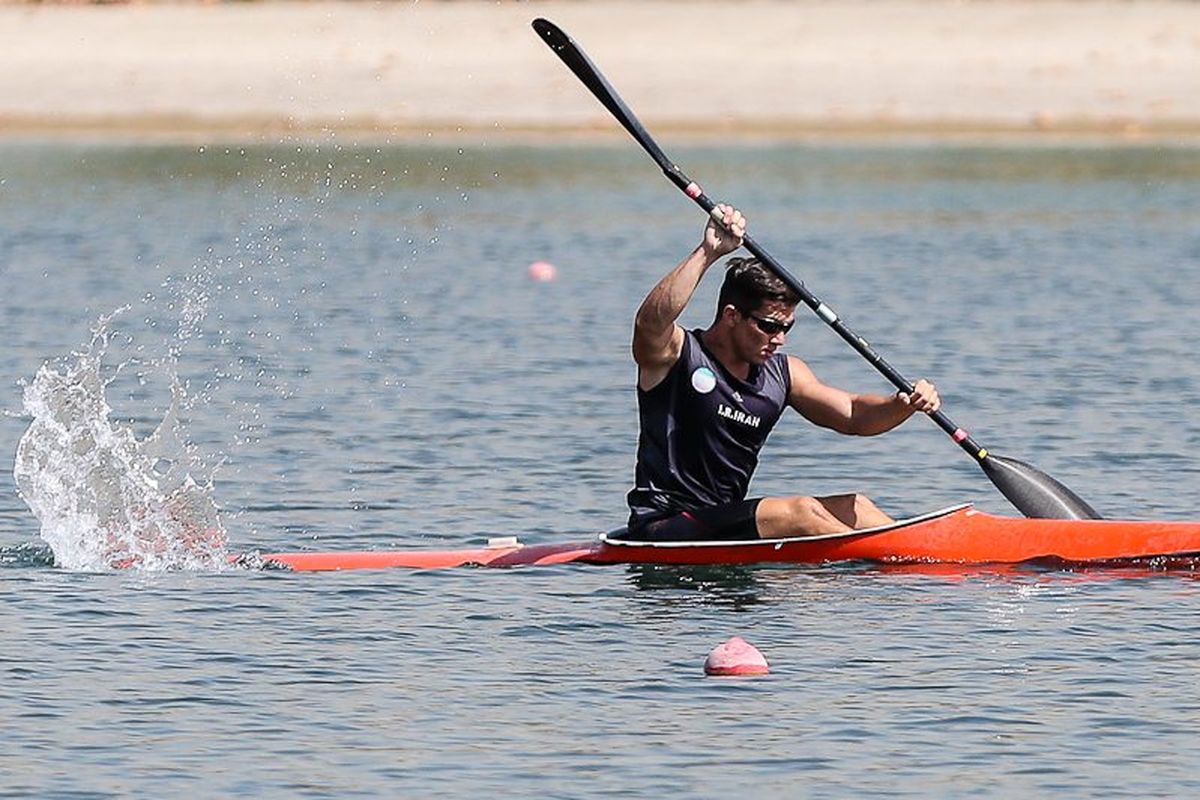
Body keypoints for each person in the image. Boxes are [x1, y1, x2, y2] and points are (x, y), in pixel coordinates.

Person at [624, 204, 941, 541]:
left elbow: (852, 414)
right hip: (665, 525)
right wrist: (708, 252)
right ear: (731, 316)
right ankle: (894, 560)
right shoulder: (677, 355)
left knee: (856, 507)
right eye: (769, 326)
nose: (780, 339)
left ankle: (924, 550)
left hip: (722, 521)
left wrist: (904, 404)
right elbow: (650, 322)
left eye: (787, 327)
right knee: (801, 513)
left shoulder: (783, 373)